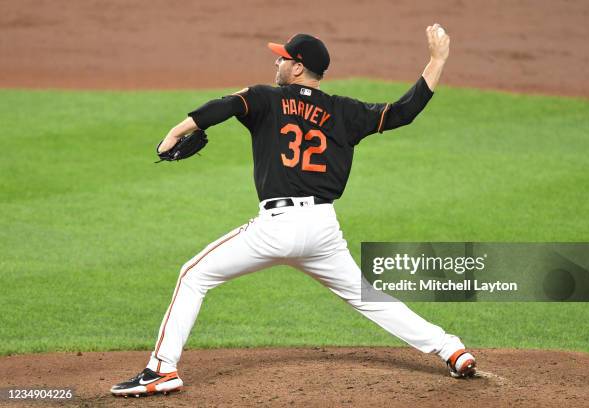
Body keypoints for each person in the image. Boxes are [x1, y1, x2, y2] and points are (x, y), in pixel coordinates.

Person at [110, 23, 476, 397]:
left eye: (282, 58)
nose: (277, 62)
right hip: (322, 232)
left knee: (193, 276)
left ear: (298, 67)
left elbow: (225, 105)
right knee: (368, 297)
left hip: (276, 228)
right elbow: (404, 111)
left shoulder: (266, 98)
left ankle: (161, 369)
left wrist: (176, 130)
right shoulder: (344, 111)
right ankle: (451, 349)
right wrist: (437, 59)